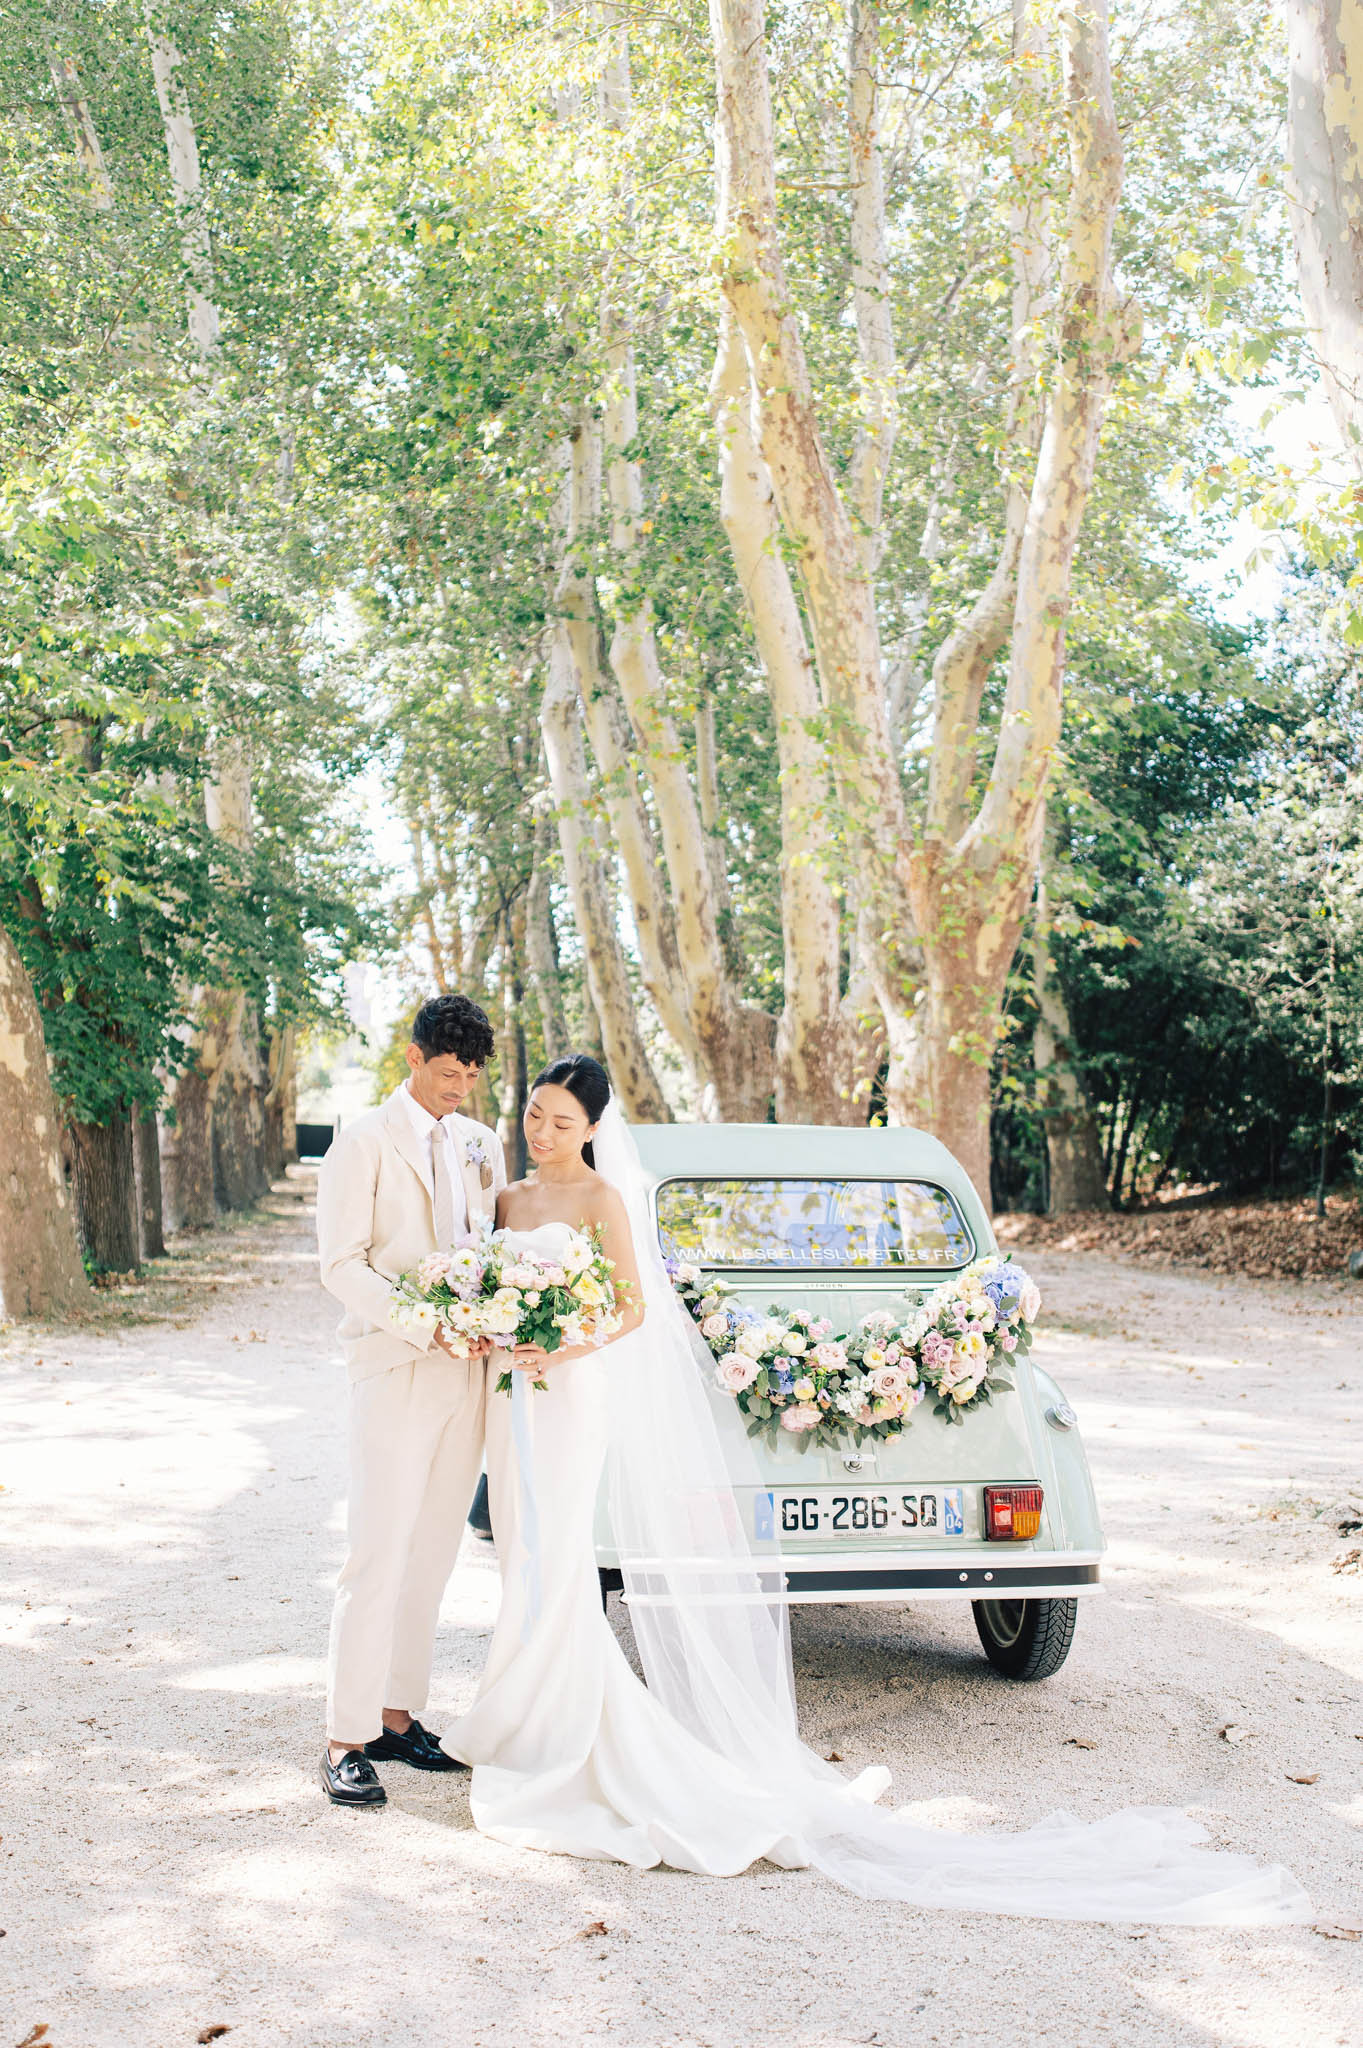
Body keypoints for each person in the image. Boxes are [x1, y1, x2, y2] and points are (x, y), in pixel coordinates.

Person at [442, 1052, 1313, 1924]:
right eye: (537, 1114)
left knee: (553, 1552)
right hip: (525, 1398)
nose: (543, 1128)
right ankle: (521, 1710)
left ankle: (559, 1724)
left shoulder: (606, 1199)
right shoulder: (510, 1201)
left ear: (594, 1128)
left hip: (566, 1381)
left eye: (562, 1118)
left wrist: (558, 1343)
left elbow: (630, 1304)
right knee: (531, 1547)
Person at [314, 992, 506, 1807]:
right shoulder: (360, 1142)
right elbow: (342, 1263)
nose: (456, 1089)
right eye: (445, 1073)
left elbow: (490, 1246)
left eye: (468, 1078)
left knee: (433, 1550)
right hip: (395, 1364)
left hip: (469, 1373)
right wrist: (426, 1324)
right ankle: (343, 1737)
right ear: (412, 1056)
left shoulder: (482, 1143)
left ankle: (396, 1716)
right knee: (377, 1551)